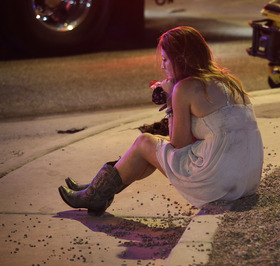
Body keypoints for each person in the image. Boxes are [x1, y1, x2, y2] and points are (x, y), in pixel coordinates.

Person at [58, 26, 264, 216]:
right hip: (247, 179)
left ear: (181, 58)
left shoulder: (185, 88)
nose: (162, 65)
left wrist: (171, 102)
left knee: (145, 143)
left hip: (217, 182)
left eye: (165, 59)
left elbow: (179, 145)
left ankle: (96, 193)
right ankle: (96, 191)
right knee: (152, 148)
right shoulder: (228, 81)